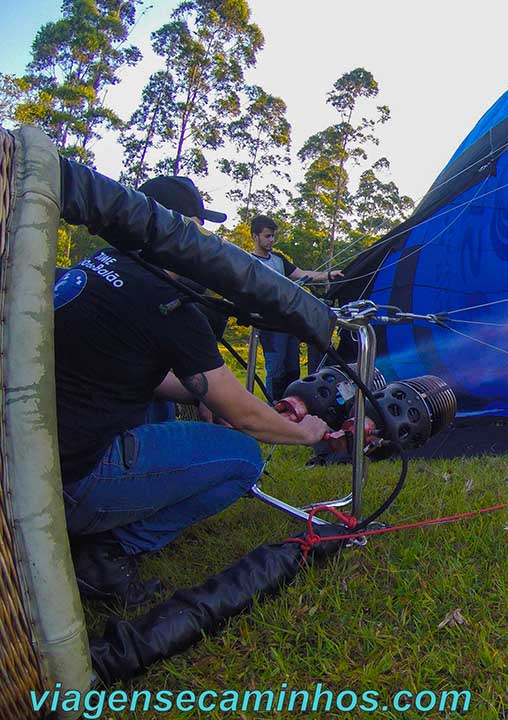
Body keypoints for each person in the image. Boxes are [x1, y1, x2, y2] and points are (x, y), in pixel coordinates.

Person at [53, 176, 333, 607]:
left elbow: (136, 373)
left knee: (162, 402)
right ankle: (107, 550)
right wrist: (306, 432)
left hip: (35, 464)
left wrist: (201, 394)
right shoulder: (168, 302)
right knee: (243, 459)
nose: (201, 242)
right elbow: (243, 416)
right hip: (71, 483)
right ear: (171, 228)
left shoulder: (94, 268)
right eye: (196, 229)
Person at [248, 215, 342, 400]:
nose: (271, 240)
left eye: (273, 236)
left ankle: (292, 403)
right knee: (275, 370)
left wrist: (329, 275)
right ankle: (273, 406)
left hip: (290, 322)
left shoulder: (278, 259)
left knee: (293, 368)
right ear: (254, 236)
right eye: (267, 236)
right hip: (270, 325)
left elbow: (302, 274)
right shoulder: (249, 261)